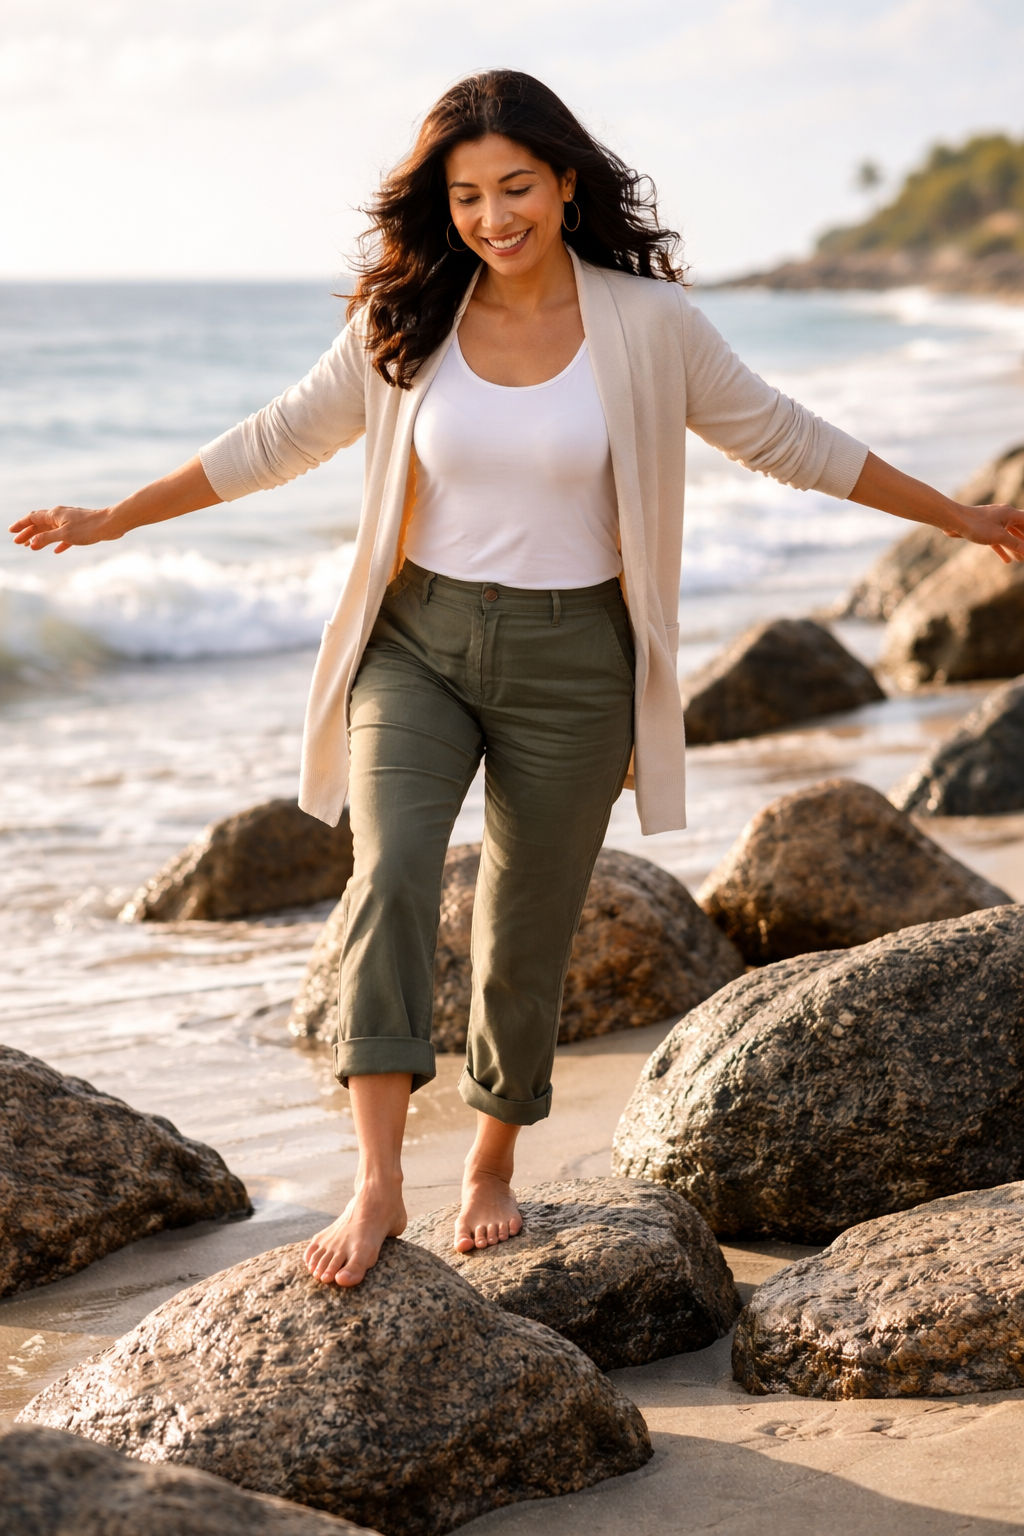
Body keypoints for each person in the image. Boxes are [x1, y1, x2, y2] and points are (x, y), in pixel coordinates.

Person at [11, 72, 1024, 1289]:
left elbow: (787, 437)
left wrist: (960, 515)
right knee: (386, 873)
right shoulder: (405, 323)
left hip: (577, 661)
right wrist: (116, 515)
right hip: (418, 642)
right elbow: (272, 439)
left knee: (523, 924)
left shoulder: (649, 327)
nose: (492, 216)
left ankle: (490, 1161)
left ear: (564, 185)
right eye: (466, 195)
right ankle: (378, 1181)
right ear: (441, 205)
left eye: (515, 188)